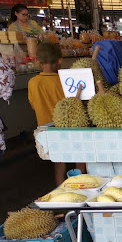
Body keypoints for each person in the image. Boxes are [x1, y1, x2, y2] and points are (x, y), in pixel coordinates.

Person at [28, 43, 85, 184]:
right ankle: (83, 184)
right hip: (70, 127)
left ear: (37, 61)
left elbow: (33, 106)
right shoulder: (65, 81)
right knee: (81, 156)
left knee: (59, 161)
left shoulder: (33, 82)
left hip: (48, 130)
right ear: (60, 60)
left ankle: (61, 188)